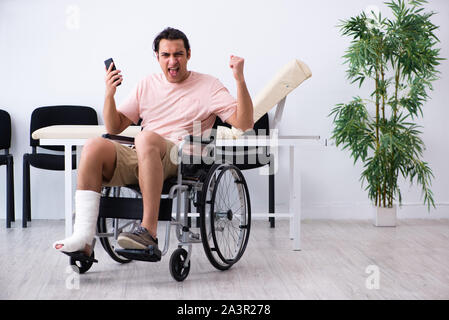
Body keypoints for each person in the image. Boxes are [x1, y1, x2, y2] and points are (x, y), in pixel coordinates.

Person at [53, 27, 253, 257]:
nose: (172, 61)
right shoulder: (147, 84)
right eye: (165, 55)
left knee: (146, 138)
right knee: (93, 146)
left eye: (178, 54)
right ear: (157, 57)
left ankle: (149, 230)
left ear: (188, 54)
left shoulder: (209, 85)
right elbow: (114, 127)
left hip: (180, 156)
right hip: (142, 152)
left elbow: (245, 123)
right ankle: (84, 240)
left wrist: (239, 80)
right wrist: (109, 95)